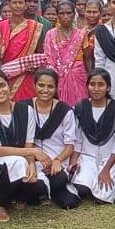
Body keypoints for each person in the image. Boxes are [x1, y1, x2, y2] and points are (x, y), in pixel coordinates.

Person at [0, 69, 50, 221]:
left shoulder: (26, 110)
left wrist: (31, 162)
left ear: (9, 85)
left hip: (19, 161)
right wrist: (32, 152)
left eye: (2, 85)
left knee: (40, 183)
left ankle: (16, 194)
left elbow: (28, 142)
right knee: (18, 163)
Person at [26, 69, 82, 209]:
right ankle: (44, 192)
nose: (45, 90)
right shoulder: (24, 107)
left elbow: (70, 145)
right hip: (32, 160)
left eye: (50, 86)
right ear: (34, 85)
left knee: (62, 183)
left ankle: (48, 192)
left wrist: (58, 160)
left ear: (56, 88)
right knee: (32, 184)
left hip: (57, 162)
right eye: (41, 85)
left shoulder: (65, 111)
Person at [71, 69, 115, 204]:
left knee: (103, 198)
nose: (96, 89)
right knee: (81, 189)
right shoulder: (80, 108)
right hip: (87, 156)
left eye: (101, 84)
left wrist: (106, 169)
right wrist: (74, 161)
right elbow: (77, 139)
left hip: (110, 158)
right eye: (92, 84)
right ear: (87, 86)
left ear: (108, 87)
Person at [0, 0, 47, 101]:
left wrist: (35, 70)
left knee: (27, 108)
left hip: (27, 75)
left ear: (25, 5)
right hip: (5, 75)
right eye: (14, 3)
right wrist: (1, 73)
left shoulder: (35, 27)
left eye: (20, 3)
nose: (17, 6)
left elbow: (40, 53)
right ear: (9, 4)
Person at [43, 0, 88, 106]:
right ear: (57, 15)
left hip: (79, 77)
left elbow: (88, 59)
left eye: (69, 13)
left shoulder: (81, 34)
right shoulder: (50, 34)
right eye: (62, 13)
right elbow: (48, 59)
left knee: (81, 108)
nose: (66, 16)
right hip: (57, 77)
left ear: (74, 14)